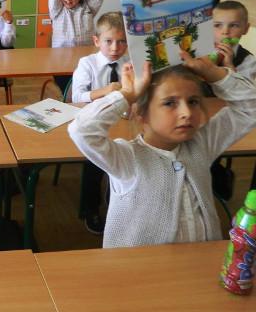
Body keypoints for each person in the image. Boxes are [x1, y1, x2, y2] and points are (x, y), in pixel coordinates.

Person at [68, 54, 256, 248]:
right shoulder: (127, 158)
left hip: (202, 261)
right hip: (141, 265)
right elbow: (81, 131)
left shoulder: (201, 143)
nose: (186, 113)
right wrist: (127, 95)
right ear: (141, 113)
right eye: (169, 103)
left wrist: (215, 74)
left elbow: (250, 108)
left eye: (193, 101)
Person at [71, 12, 129, 234]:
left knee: (125, 160)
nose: (115, 48)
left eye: (121, 41)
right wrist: (106, 91)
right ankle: (90, 209)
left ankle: (116, 201)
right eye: (109, 41)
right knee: (94, 164)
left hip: (123, 124)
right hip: (94, 124)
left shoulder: (129, 64)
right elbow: (77, 96)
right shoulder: (88, 63)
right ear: (96, 41)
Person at [208, 0, 255, 201]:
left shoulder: (248, 61)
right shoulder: (200, 53)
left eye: (233, 25)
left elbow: (246, 97)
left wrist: (229, 67)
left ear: (245, 28)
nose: (225, 32)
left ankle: (219, 174)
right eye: (217, 25)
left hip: (228, 119)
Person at [48, 0, 108, 94]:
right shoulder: (57, 10)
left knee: (88, 95)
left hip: (86, 66)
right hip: (62, 67)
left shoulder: (88, 8)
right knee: (70, 97)